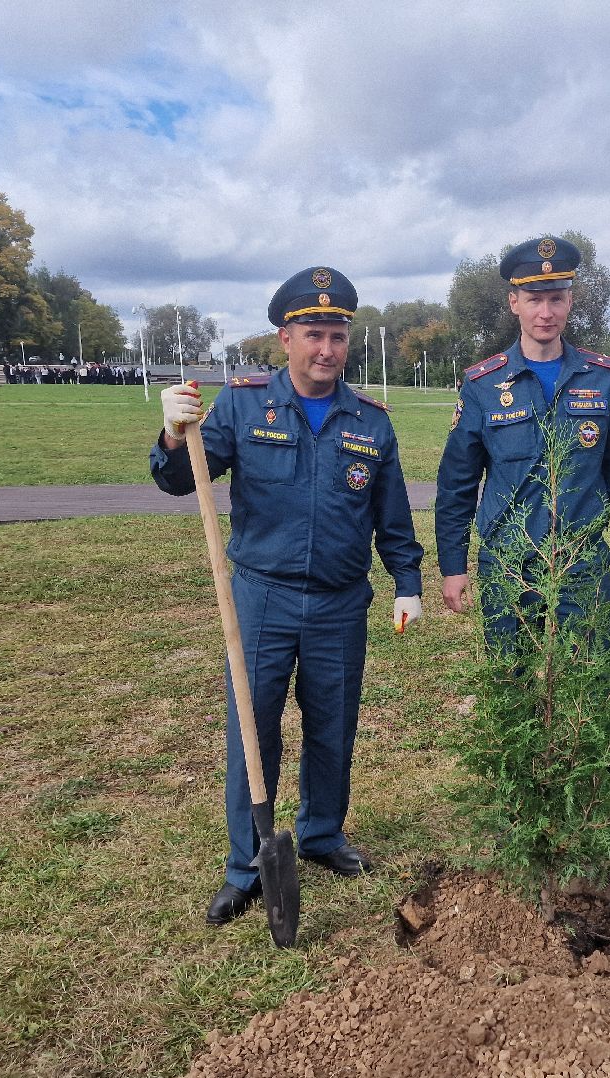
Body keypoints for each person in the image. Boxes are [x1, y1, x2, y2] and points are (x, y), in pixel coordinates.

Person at [151, 266, 425, 925]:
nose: (325, 349)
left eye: (337, 336)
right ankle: (247, 865)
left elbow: (391, 517)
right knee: (253, 731)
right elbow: (180, 480)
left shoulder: (371, 422)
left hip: (339, 604)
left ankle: (322, 834)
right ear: (285, 339)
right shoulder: (243, 406)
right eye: (312, 335)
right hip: (261, 600)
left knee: (333, 726)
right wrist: (173, 434)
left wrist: (407, 582)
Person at [434, 236, 610, 876]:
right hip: (508, 568)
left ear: (571, 301)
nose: (546, 311)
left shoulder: (599, 378)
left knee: (597, 688)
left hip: (579, 565)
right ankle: (520, 826)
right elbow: (457, 484)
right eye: (534, 298)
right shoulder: (484, 384)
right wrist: (454, 565)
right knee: (513, 691)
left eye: (557, 297)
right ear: (513, 304)